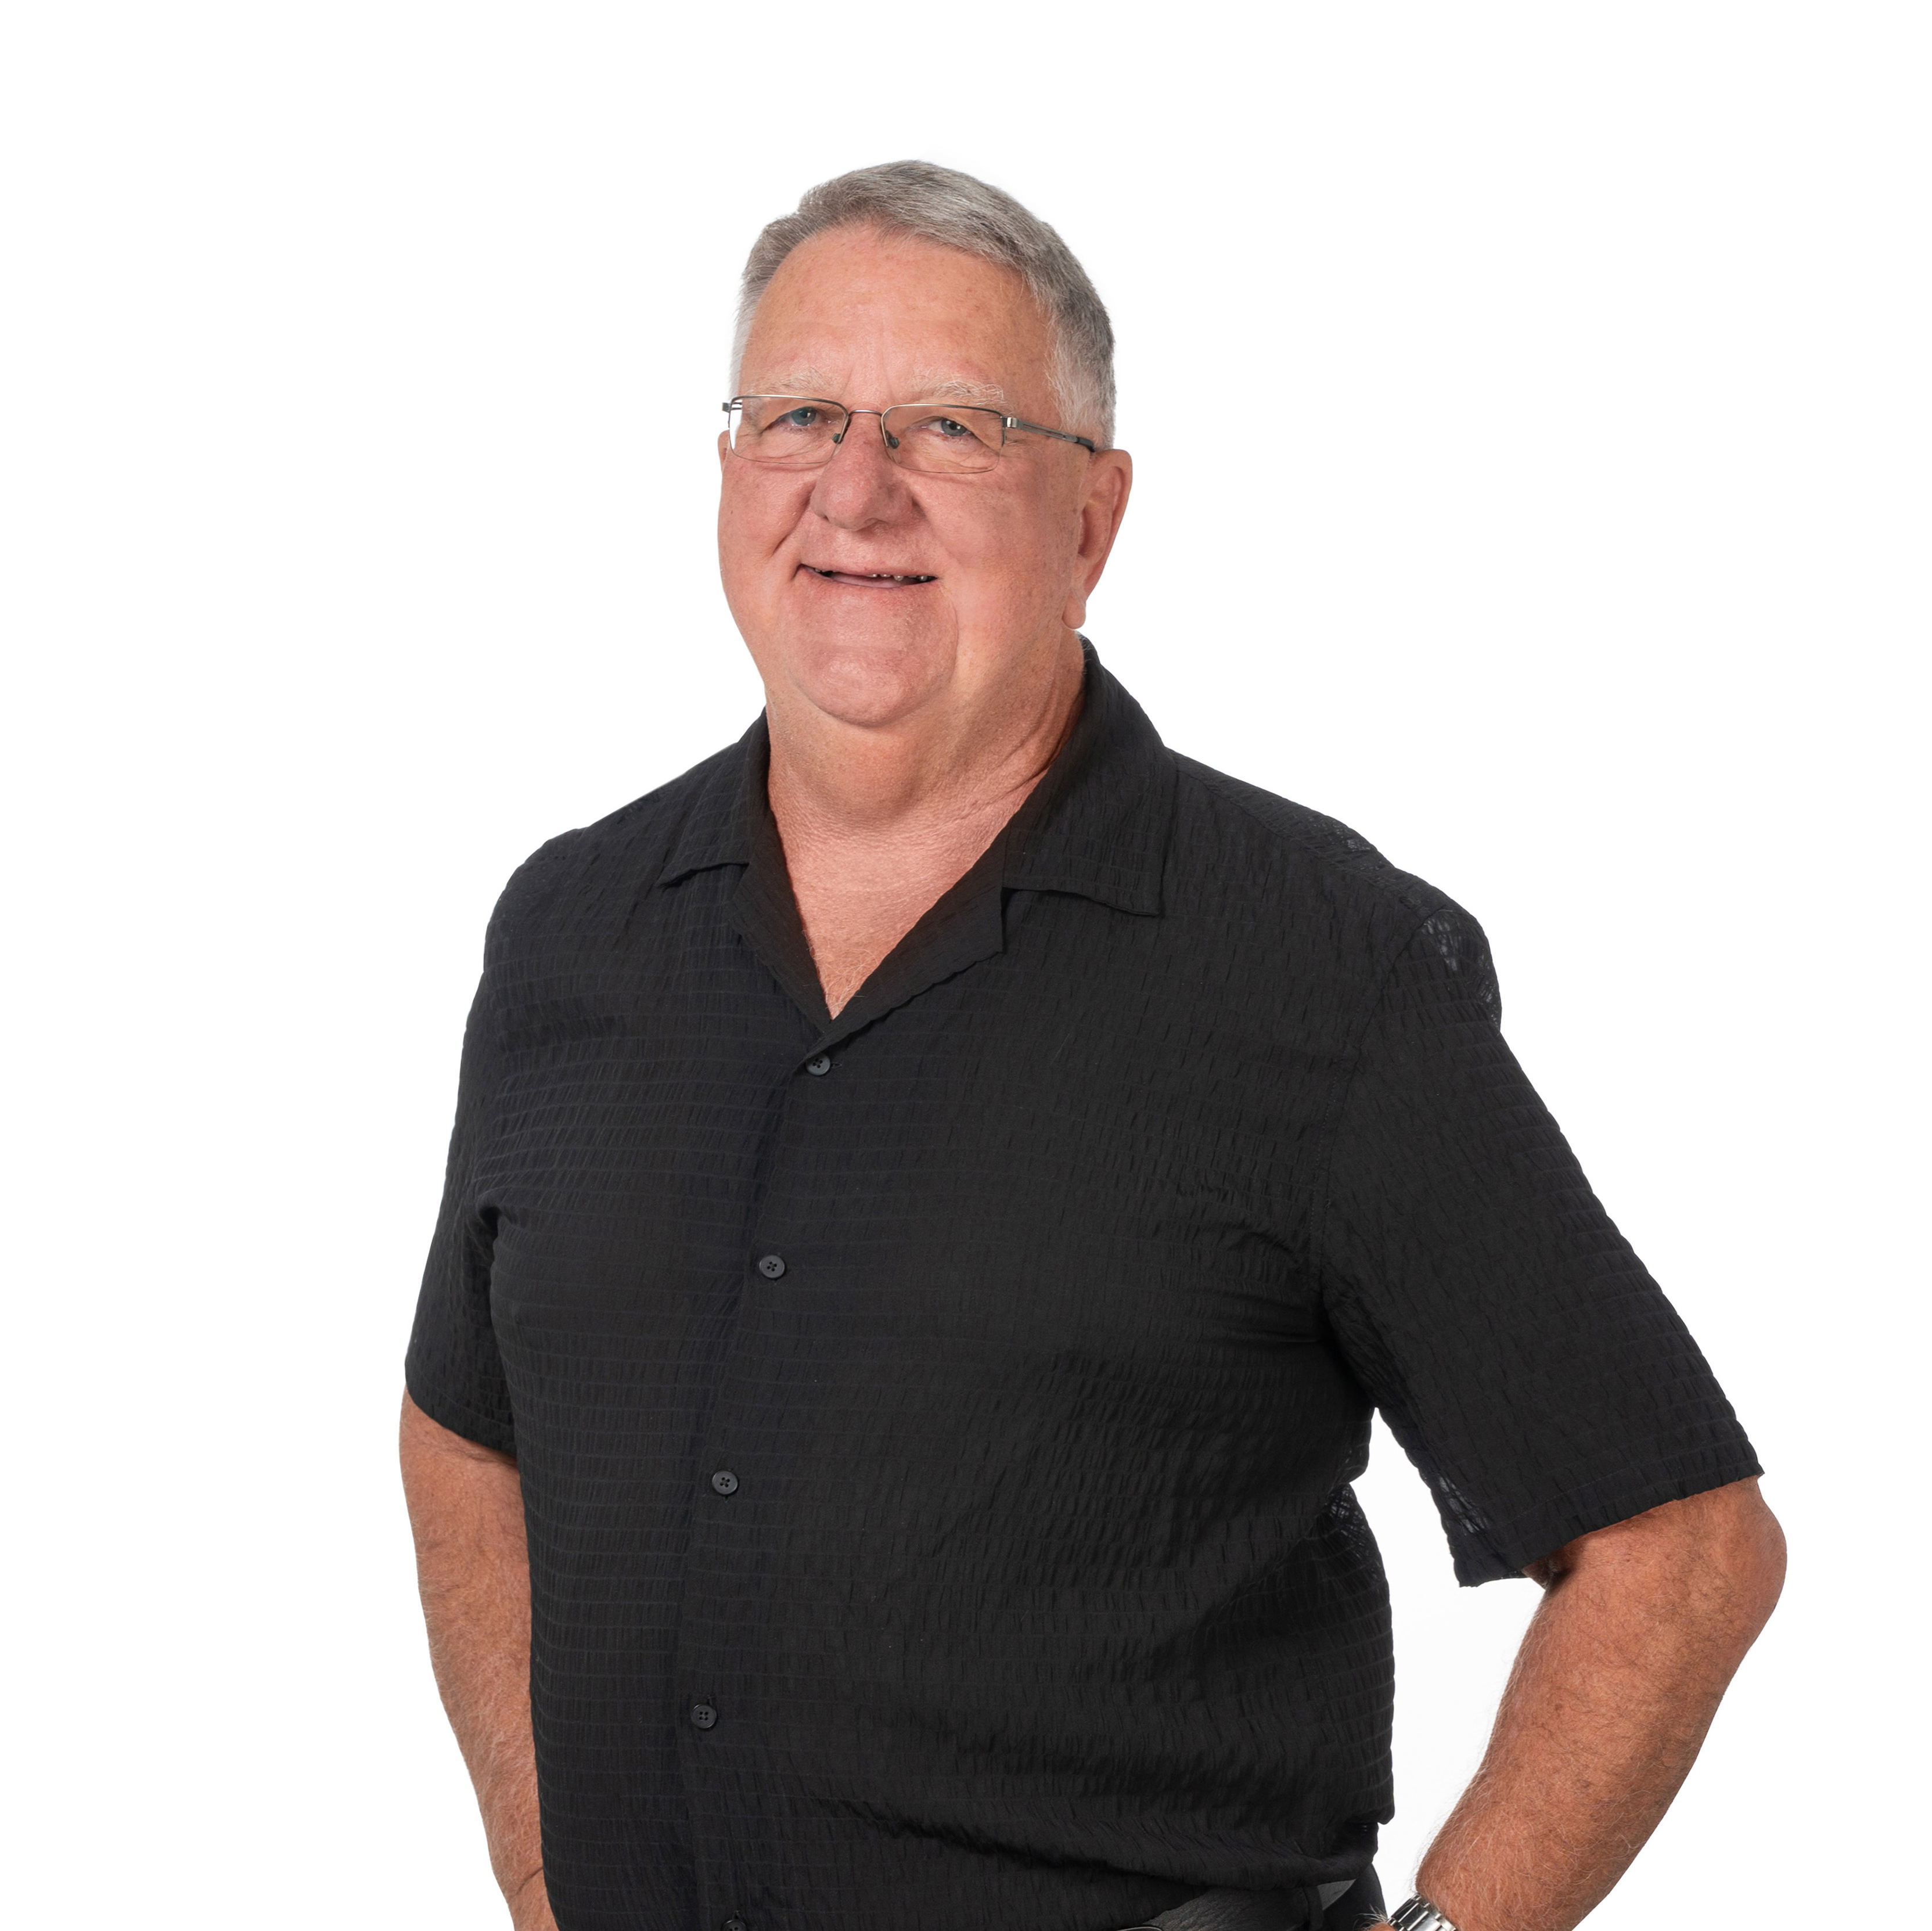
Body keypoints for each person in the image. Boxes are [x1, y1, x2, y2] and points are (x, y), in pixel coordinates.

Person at [400, 161, 1783, 1931]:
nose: (854, 490)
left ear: (1092, 516)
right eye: (797, 415)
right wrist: (542, 1873)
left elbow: (1677, 1548)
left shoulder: (1318, 960)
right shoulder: (573, 923)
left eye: (952, 428)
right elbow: (468, 1430)